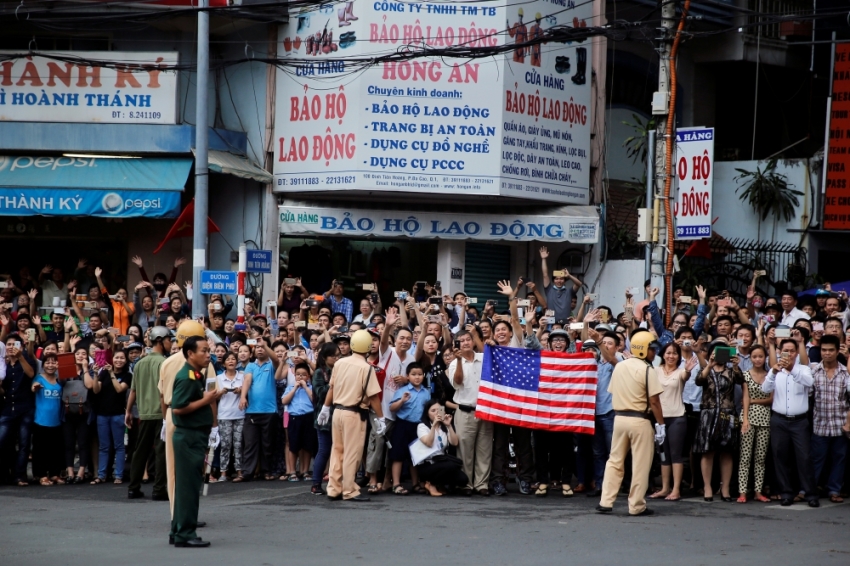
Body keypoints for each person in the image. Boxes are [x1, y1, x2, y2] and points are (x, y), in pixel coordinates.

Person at [597, 330, 665, 516]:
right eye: (651, 349)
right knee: (640, 464)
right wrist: (661, 424)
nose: (654, 352)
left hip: (619, 418)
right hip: (640, 420)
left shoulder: (620, 366)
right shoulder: (647, 370)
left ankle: (606, 501)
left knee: (614, 461)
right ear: (643, 350)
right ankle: (636, 505)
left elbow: (613, 391)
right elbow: (654, 402)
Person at [317, 329, 385, 501]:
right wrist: (381, 417)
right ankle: (349, 490)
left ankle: (334, 488)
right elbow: (373, 396)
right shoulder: (366, 368)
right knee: (351, 453)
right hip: (354, 414)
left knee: (337, 450)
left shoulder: (339, 363)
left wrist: (325, 408)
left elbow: (331, 388)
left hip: (337, 411)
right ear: (368, 346)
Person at [170, 336, 217, 548]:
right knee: (189, 487)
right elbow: (178, 407)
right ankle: (185, 533)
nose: (208, 355)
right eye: (203, 351)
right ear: (190, 353)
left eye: (208, 350)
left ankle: (177, 529)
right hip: (190, 436)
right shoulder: (188, 376)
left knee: (185, 486)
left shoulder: (195, 374)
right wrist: (206, 400)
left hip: (192, 435)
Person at [761, 339, 819, 507]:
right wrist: (773, 371)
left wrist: (791, 369)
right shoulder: (775, 370)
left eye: (792, 350)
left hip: (799, 421)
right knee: (780, 457)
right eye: (785, 350)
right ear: (779, 351)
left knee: (804, 458)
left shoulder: (804, 369)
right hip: (779, 419)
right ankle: (786, 492)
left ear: (796, 352)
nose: (789, 353)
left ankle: (810, 494)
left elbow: (809, 383)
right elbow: (765, 389)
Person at [693, 341, 744, 502]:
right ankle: (707, 486)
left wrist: (736, 365)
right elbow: (699, 381)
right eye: (715, 352)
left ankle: (725, 487)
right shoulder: (705, 370)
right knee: (708, 452)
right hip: (708, 414)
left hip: (727, 414)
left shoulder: (730, 371)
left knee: (727, 452)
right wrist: (710, 364)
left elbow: (740, 380)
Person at [126, 326, 171, 500]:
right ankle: (159, 489)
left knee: (140, 451)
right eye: (168, 339)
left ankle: (133, 487)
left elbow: (133, 390)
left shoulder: (140, 363)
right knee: (161, 451)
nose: (170, 343)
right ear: (160, 340)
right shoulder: (164, 363)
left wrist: (128, 411)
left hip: (144, 413)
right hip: (161, 413)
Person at [649, 343, 696, 501]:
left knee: (676, 455)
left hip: (677, 417)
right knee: (663, 455)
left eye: (675, 353)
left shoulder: (681, 372)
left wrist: (688, 370)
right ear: (663, 354)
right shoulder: (655, 371)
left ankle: (676, 489)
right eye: (668, 353)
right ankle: (664, 488)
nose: (671, 356)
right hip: (659, 419)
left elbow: (686, 376)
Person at [448, 329, 492, 496]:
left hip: (484, 410)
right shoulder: (453, 363)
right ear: (457, 344)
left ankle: (482, 484)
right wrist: (459, 360)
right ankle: (466, 484)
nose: (466, 342)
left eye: (468, 339)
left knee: (484, 449)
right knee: (465, 450)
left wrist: (488, 342)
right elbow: (457, 382)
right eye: (462, 340)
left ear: (473, 341)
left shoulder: (483, 358)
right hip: (465, 411)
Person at [808, 335, 850, 504]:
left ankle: (834, 490)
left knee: (839, 459)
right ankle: (811, 490)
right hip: (820, 424)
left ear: (837, 350)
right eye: (824, 350)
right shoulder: (813, 372)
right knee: (816, 460)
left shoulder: (845, 373)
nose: (827, 353)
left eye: (831, 350)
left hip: (840, 424)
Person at [238, 336, 281, 481]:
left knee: (267, 444)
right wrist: (243, 396)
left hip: (269, 411)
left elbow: (276, 360)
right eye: (257, 347)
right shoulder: (250, 365)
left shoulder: (271, 365)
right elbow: (247, 380)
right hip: (252, 411)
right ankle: (247, 473)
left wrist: (265, 345)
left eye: (262, 347)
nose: (260, 349)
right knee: (250, 443)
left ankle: (266, 471)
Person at [88, 349, 131, 485]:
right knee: (104, 446)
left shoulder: (127, 375)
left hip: (118, 414)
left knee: (119, 446)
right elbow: (95, 390)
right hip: (102, 415)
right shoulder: (104, 373)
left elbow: (119, 389)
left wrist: (112, 373)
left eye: (121, 358)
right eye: (116, 358)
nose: (119, 360)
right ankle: (101, 475)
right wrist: (95, 374)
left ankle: (118, 474)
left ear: (125, 361)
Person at [387, 362, 430, 494]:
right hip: (403, 424)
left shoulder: (426, 393)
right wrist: (402, 401)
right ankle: (396, 484)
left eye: (420, 374)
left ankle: (415, 483)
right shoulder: (402, 391)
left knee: (415, 456)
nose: (417, 377)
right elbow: (392, 408)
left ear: (424, 376)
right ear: (408, 376)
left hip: (418, 426)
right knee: (398, 455)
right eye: (413, 374)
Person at [737, 345, 772, 503]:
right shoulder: (745, 375)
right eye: (754, 356)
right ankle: (742, 492)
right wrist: (745, 419)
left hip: (765, 418)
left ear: (765, 358)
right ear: (750, 358)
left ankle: (758, 491)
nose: (757, 359)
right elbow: (745, 398)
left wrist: (753, 400)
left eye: (760, 356)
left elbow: (771, 399)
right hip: (748, 417)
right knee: (745, 457)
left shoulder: (770, 375)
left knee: (760, 458)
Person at [0, 334, 36, 486]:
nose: (10, 347)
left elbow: (31, 374)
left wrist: (21, 357)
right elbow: (4, 391)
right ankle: (4, 474)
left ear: (20, 346)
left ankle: (20, 476)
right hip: (8, 408)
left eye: (13, 344)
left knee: (24, 444)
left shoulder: (27, 360)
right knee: (2, 441)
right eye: (8, 344)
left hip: (25, 408)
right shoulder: (3, 365)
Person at [414, 398, 467, 496]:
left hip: (441, 461)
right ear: (427, 413)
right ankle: (430, 484)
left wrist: (449, 426)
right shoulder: (422, 426)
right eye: (433, 411)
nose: (436, 413)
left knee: (463, 479)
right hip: (427, 464)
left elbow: (455, 443)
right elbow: (428, 443)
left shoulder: (444, 426)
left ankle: (439, 484)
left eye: (439, 410)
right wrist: (433, 426)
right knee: (450, 465)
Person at [30, 353, 65, 486]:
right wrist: (35, 387)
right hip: (41, 421)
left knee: (55, 449)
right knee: (40, 450)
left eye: (54, 362)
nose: (51, 365)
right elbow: (33, 388)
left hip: (56, 421)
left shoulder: (60, 380)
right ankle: (41, 475)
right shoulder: (39, 378)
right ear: (43, 365)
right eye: (48, 362)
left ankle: (55, 474)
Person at [311, 342, 340, 495]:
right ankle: (316, 483)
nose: (336, 358)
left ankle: (338, 482)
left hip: (340, 415)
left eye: (338, 355)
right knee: (324, 450)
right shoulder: (319, 373)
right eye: (333, 356)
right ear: (324, 357)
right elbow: (320, 392)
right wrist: (334, 383)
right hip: (325, 417)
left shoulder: (341, 369)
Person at [281, 362, 318, 482]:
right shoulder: (290, 388)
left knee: (307, 446)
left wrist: (306, 387)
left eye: (303, 375)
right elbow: (284, 401)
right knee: (293, 446)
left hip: (308, 417)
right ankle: (292, 471)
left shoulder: (311, 388)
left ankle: (305, 471)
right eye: (298, 375)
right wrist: (295, 388)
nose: (300, 377)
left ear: (308, 377)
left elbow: (314, 400)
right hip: (294, 418)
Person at [63, 345, 93, 485]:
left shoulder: (90, 371)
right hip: (68, 411)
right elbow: (61, 383)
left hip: (84, 411)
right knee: (68, 443)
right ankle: (69, 471)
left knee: (83, 442)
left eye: (84, 354)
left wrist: (85, 368)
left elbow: (89, 385)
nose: (81, 356)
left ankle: (81, 471)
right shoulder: (68, 370)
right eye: (78, 353)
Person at [215, 352, 244, 482]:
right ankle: (223, 473)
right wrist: (220, 392)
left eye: (233, 359)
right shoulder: (218, 378)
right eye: (228, 359)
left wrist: (241, 390)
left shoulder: (242, 377)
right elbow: (212, 396)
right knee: (225, 445)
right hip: (224, 415)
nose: (231, 361)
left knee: (238, 444)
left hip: (240, 414)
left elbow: (248, 392)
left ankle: (239, 471)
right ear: (224, 363)